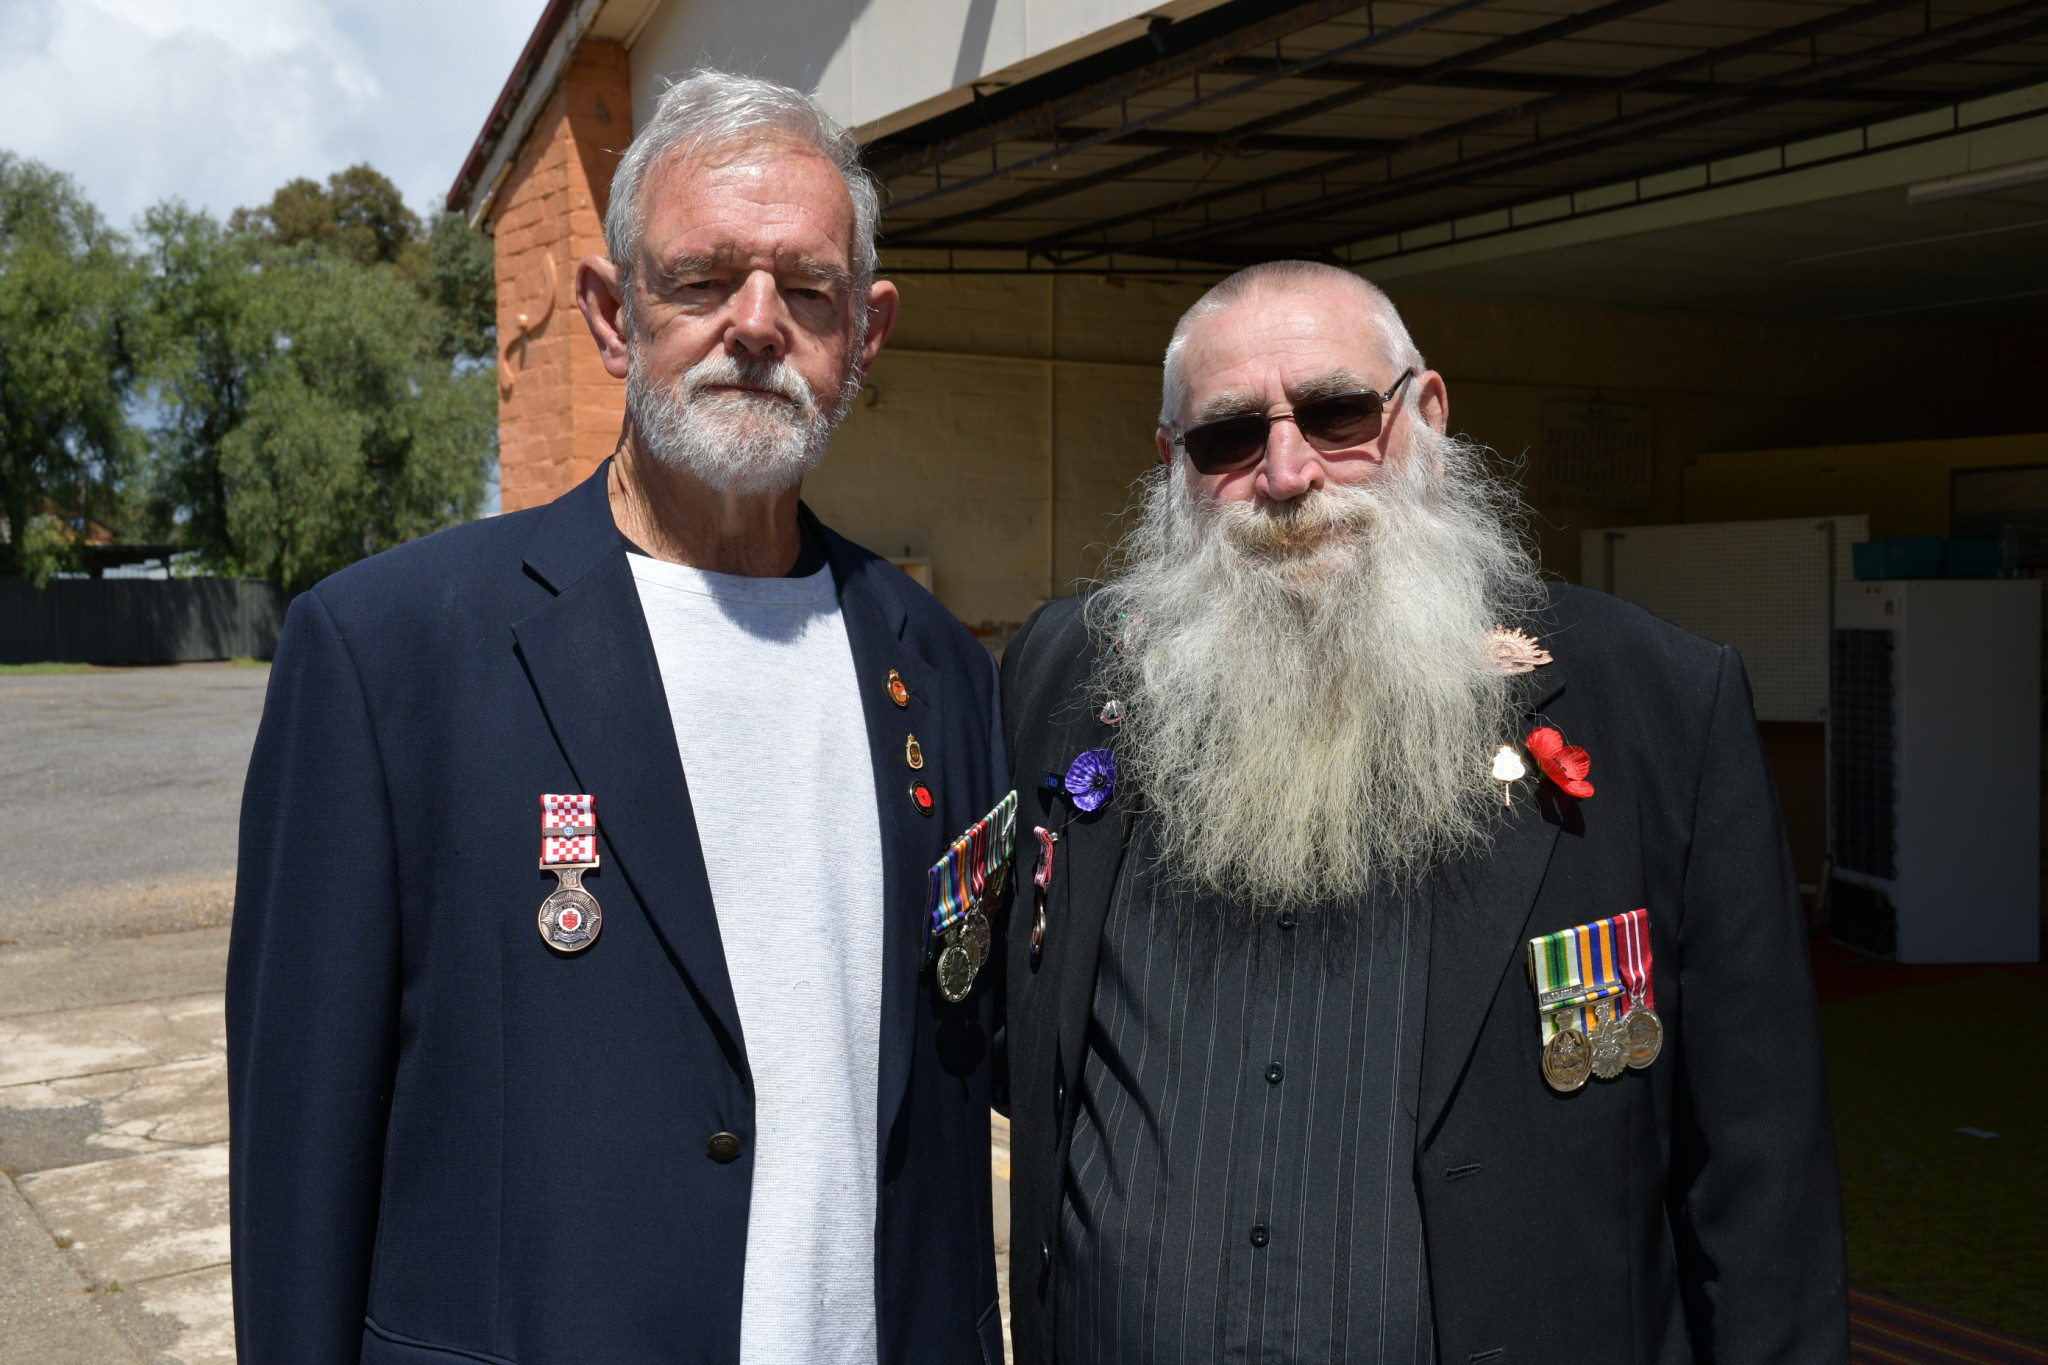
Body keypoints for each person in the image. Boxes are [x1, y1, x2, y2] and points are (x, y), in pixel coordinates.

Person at [229, 71, 1008, 1365]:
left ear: (863, 335)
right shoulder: (386, 655)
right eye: (703, 278)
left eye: (805, 289)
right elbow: (301, 1153)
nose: (756, 326)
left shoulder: (933, 664)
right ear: (610, 313)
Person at [997, 261, 1847, 1363]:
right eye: (1228, 438)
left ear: (1426, 417)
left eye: (1338, 412)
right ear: (1173, 464)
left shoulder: (1655, 703)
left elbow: (1759, 1170)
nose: (1288, 471)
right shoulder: (1062, 678)